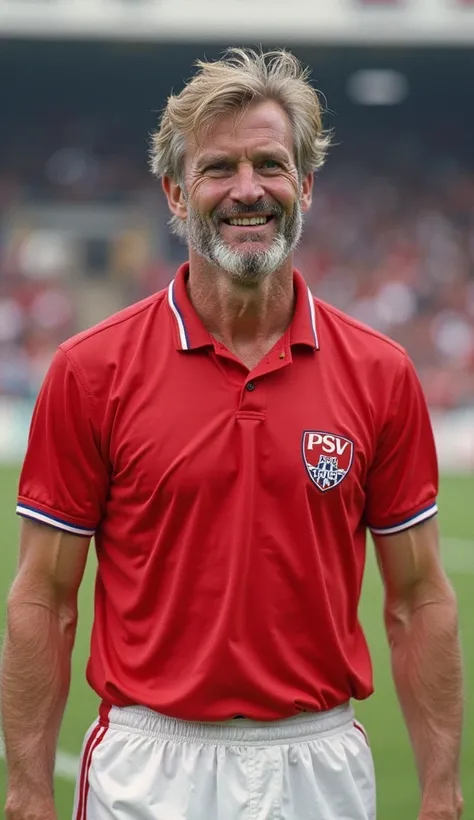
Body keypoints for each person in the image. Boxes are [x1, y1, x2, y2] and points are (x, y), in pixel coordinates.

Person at [1, 48, 464, 820]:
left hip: (319, 765)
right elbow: (45, 597)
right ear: (176, 195)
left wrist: (444, 794)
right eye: (219, 168)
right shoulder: (90, 369)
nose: (248, 190)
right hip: (147, 768)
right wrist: (23, 793)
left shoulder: (381, 373)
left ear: (306, 186)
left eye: (270, 165)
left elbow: (418, 599)